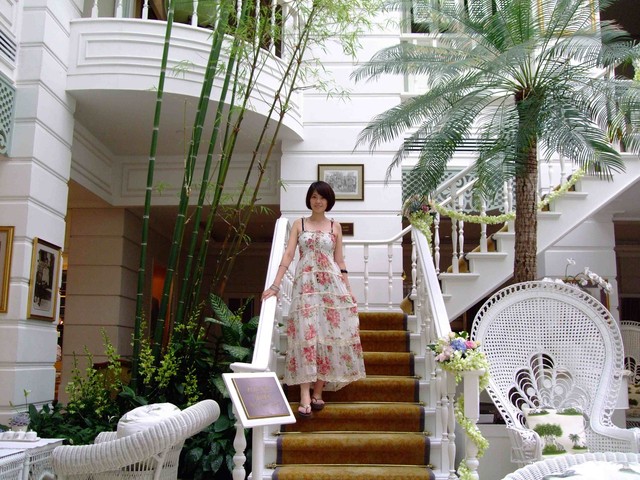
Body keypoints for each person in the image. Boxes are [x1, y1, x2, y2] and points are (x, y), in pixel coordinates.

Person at [262, 181, 366, 417]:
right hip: (306, 286)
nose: (318, 201)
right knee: (305, 335)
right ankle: (304, 394)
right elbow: (289, 254)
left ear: (329, 201)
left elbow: (339, 260)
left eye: (322, 197)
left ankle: (318, 391)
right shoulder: (299, 224)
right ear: (309, 199)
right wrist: (276, 285)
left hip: (330, 287)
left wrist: (348, 289)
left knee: (327, 336)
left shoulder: (335, 227)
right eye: (314, 197)